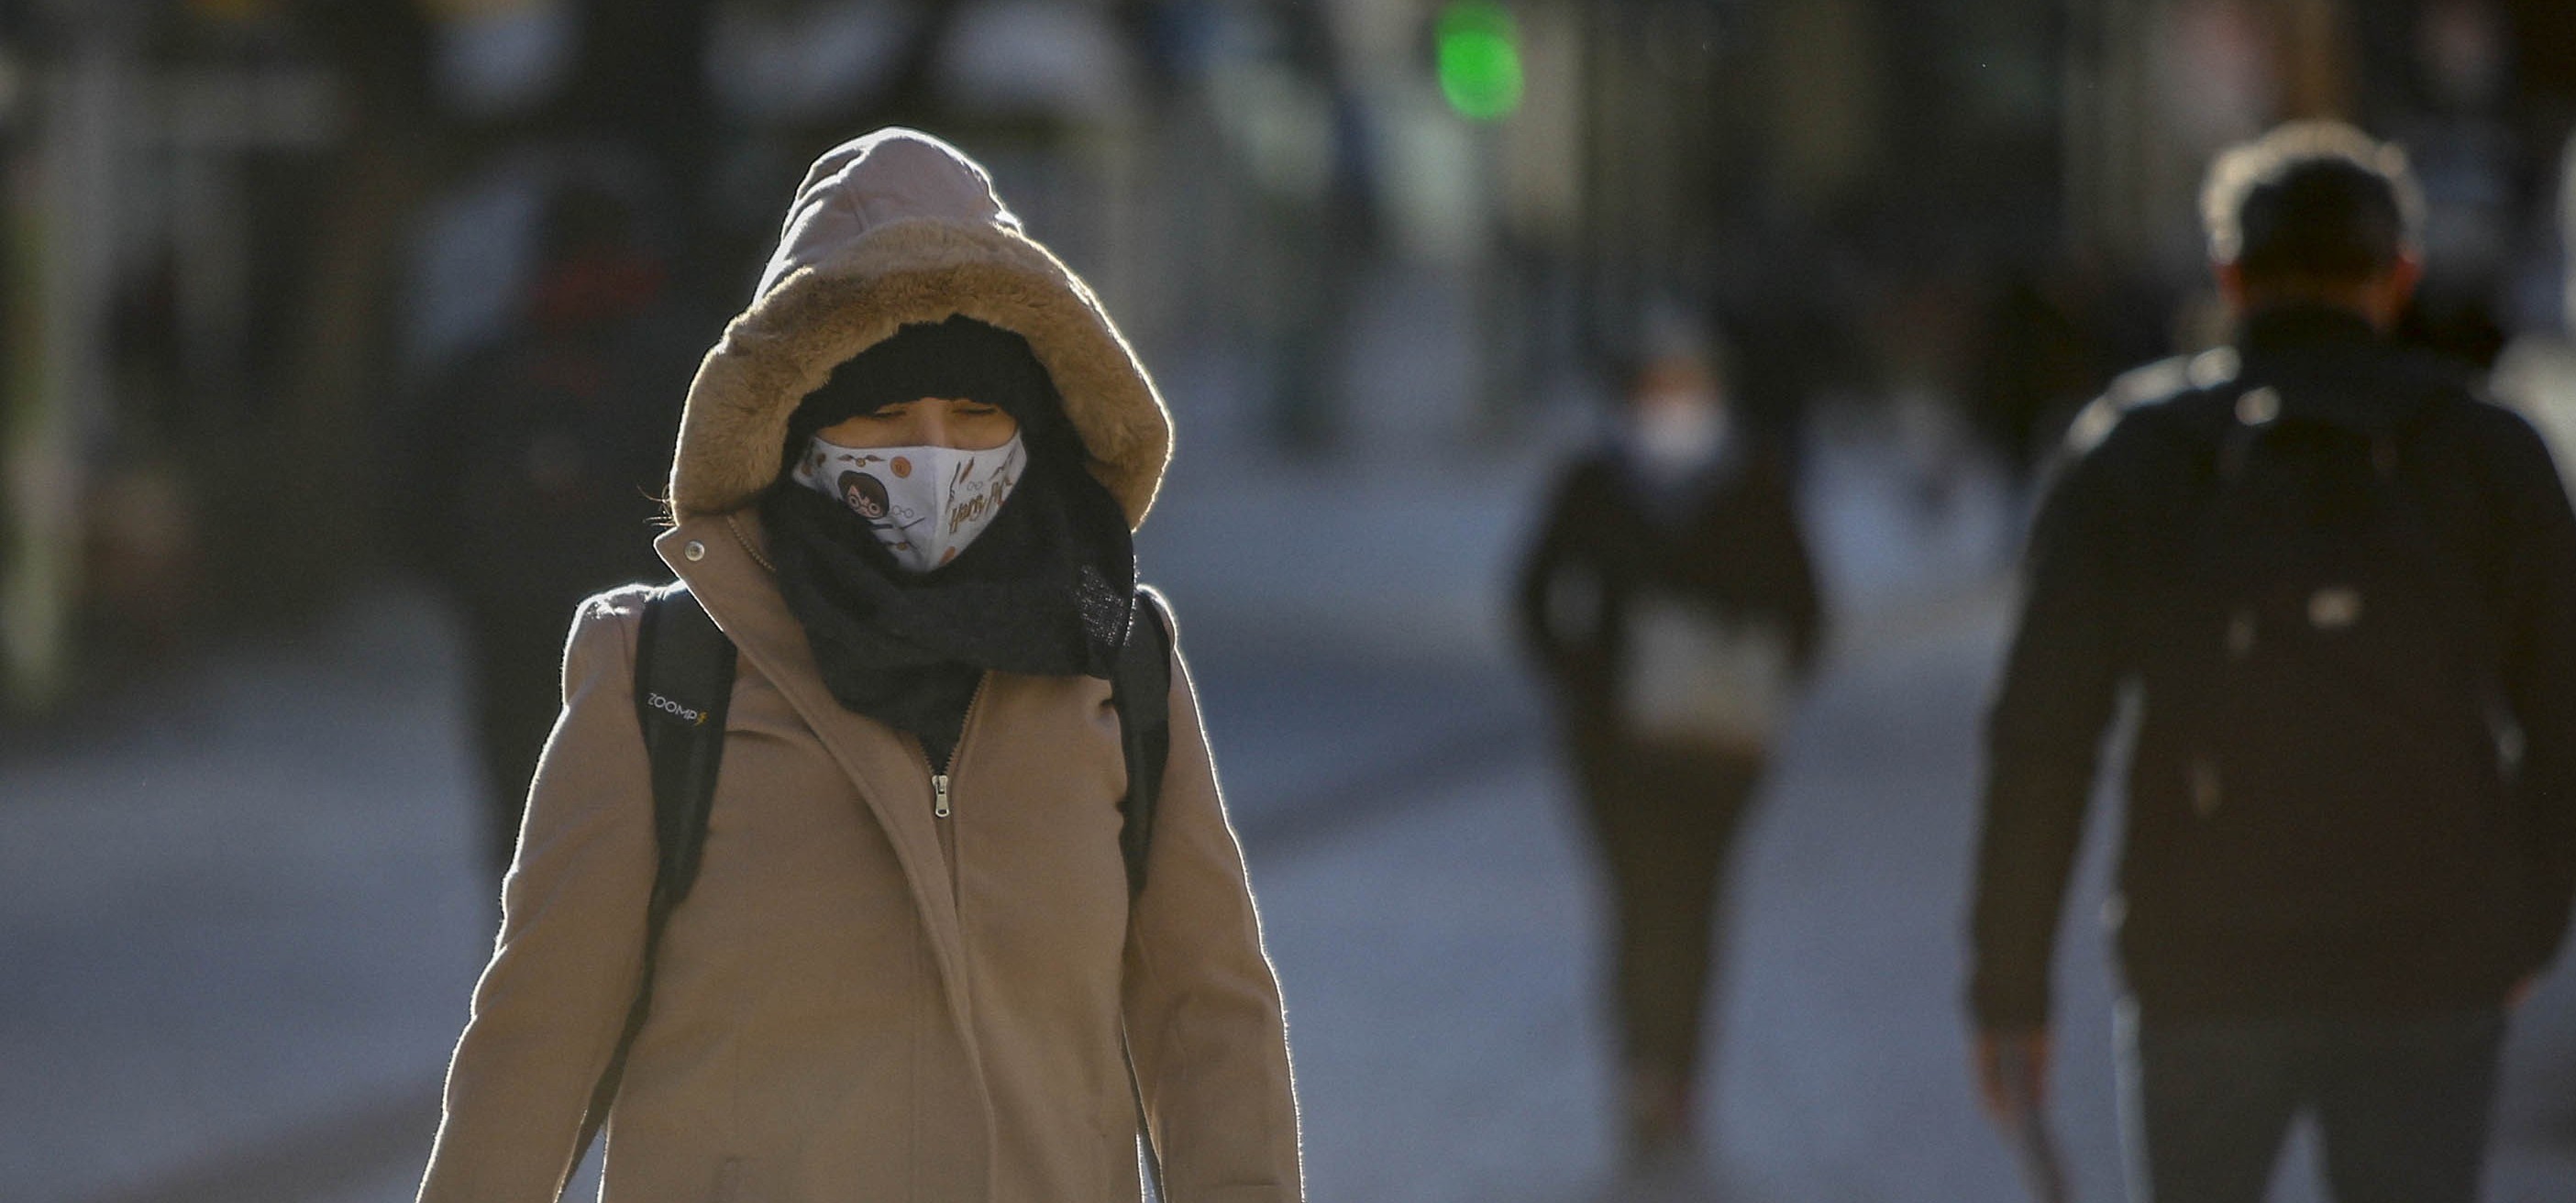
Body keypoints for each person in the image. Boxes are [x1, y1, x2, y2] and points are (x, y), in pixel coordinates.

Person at [415, 129, 1303, 1203]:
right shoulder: (665, 674)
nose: (933, 451)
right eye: (883, 413)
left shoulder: (1117, 665)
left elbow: (1212, 1028)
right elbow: (535, 1050)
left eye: (976, 411)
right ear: (797, 423)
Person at [1964, 121, 2576, 1203]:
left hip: (2202, 963)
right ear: (2400, 275)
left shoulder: (2136, 453)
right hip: (2431, 960)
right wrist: (2523, 927)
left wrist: (2010, 988)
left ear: (2230, 275)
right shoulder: (2485, 454)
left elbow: (2041, 737)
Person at [1515, 314, 1825, 1164]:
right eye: (1661, 388)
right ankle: (1643, 1075)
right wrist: (1584, 678)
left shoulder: (1752, 480)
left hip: (1718, 751)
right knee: (1637, 904)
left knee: (1694, 906)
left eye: (1690, 388)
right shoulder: (1594, 479)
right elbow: (1534, 594)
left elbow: (1807, 608)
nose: (1675, 406)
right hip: (1614, 747)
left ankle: (1680, 1074)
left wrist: (1752, 683)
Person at [398, 171, 709, 883]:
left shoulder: (489, 365)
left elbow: (414, 499)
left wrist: (475, 582)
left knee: (526, 824)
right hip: (646, 632)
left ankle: (537, 972)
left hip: (518, 627)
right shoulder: (681, 368)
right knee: (645, 831)